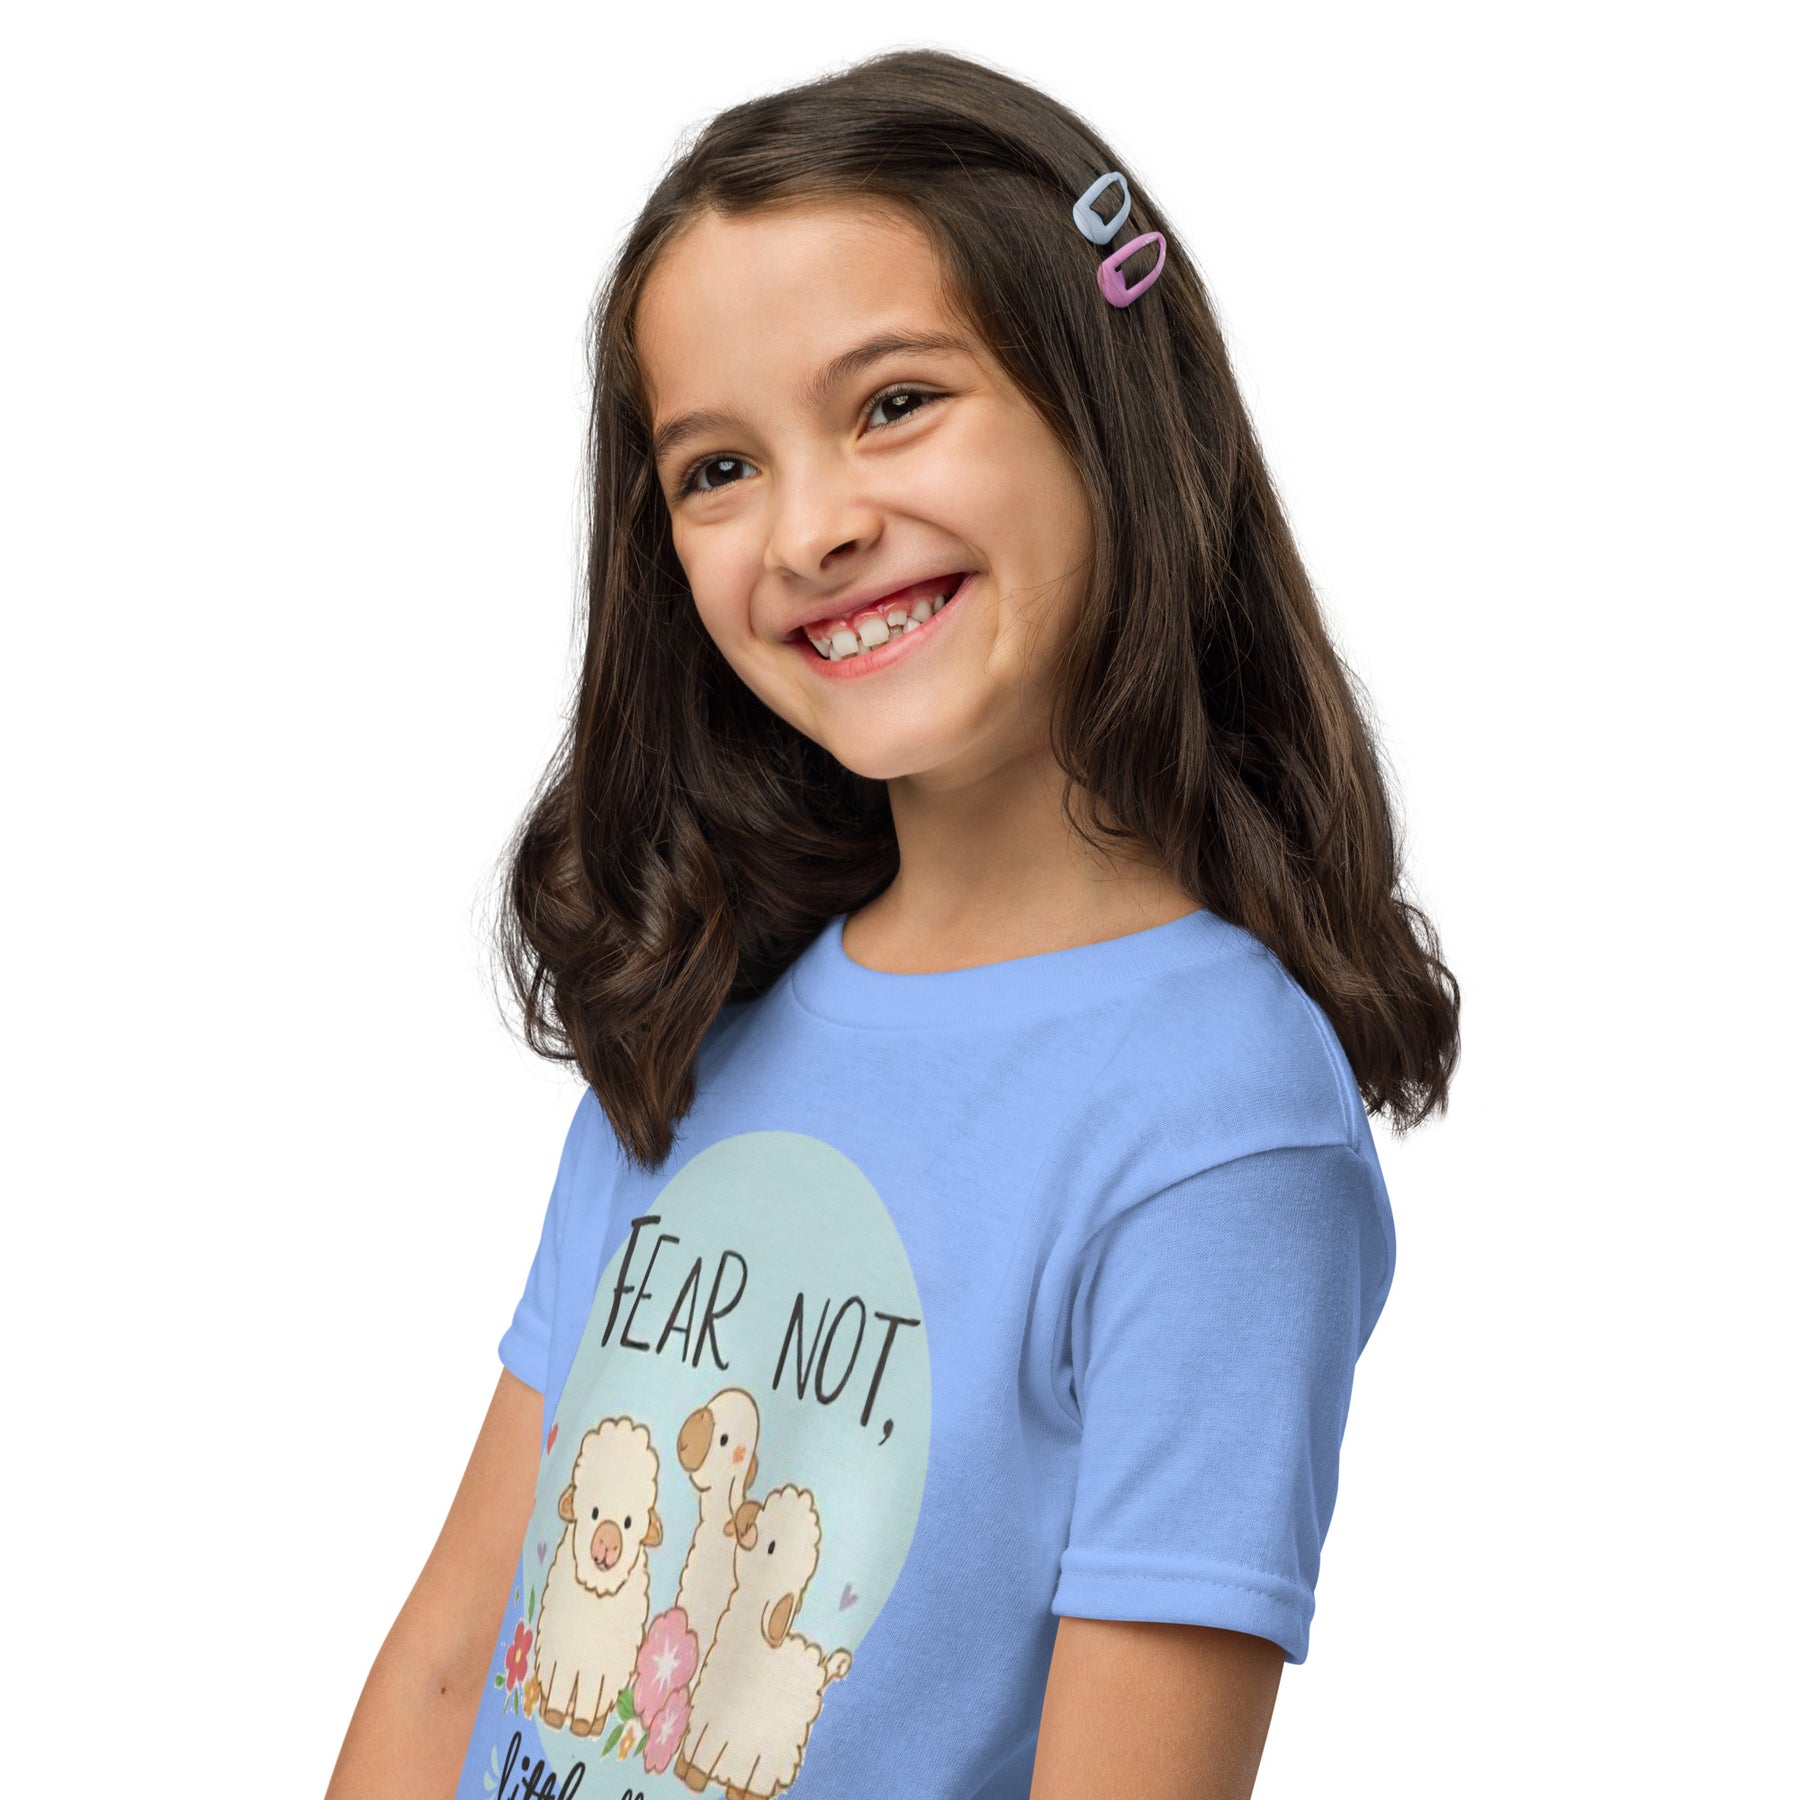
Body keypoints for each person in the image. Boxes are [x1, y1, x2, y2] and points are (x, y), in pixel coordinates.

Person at [326, 46, 1459, 1800]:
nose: (812, 530)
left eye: (894, 403)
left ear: (1109, 401)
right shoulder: (700, 1005)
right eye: (717, 467)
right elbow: (449, 1661)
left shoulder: (1219, 1118)